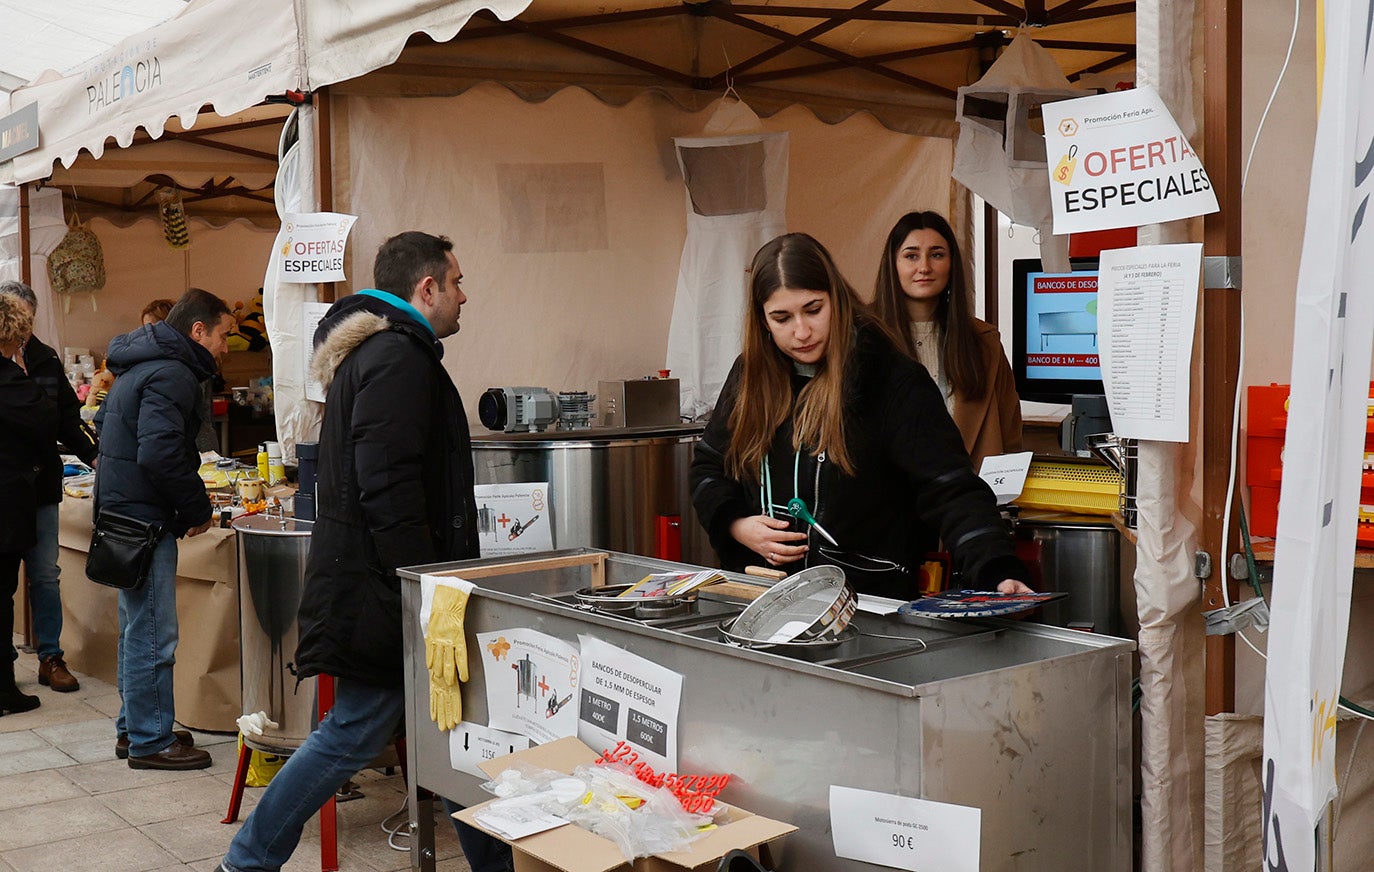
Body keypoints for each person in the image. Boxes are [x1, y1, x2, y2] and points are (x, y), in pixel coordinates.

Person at [217, 232, 511, 872]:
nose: (465, 295)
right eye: (456, 282)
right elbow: (388, 483)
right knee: (354, 734)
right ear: (425, 288)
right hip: (390, 595)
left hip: (387, 588)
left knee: (459, 735)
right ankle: (247, 860)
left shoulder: (382, 355)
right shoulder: (399, 359)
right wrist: (427, 584)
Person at [690, 232, 1031, 599]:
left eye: (813, 309)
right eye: (782, 317)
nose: (801, 331)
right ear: (762, 322)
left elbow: (951, 490)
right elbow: (709, 469)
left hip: (866, 607)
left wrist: (997, 567)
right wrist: (736, 524)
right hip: (761, 596)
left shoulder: (893, 381)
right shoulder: (748, 376)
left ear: (837, 299)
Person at [96, 287, 234, 769]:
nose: (224, 348)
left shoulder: (143, 363)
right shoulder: (173, 372)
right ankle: (150, 741)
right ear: (198, 330)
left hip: (125, 511)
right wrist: (196, 509)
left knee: (137, 628)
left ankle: (134, 728)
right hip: (143, 518)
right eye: (223, 336)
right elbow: (160, 453)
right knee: (153, 633)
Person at [0, 281, 99, 694]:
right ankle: (4, 671)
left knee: (44, 574)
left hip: (41, 485)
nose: (21, 329)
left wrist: (96, 455)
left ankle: (50, 657)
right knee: (4, 580)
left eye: (26, 320)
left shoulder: (45, 357)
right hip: (7, 488)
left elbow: (68, 418)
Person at [869, 211, 1023, 469]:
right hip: (886, 503)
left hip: (970, 501)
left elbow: (1010, 438)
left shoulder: (985, 343)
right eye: (911, 256)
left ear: (952, 264)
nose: (924, 267)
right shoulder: (863, 337)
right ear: (892, 264)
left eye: (937, 254)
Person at [0, 293, 58, 716]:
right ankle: (3, 689)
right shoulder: (10, 380)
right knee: (2, 595)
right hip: (6, 503)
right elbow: (43, 425)